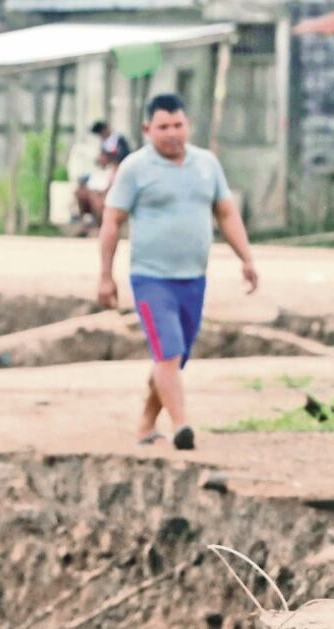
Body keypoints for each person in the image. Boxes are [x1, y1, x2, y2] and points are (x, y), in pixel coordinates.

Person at [97, 93, 258, 450]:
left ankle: (145, 425)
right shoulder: (135, 168)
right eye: (163, 127)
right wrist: (105, 276)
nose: (171, 133)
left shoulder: (207, 164)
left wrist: (246, 259)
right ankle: (182, 425)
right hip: (150, 278)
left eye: (178, 125)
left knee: (173, 356)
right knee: (168, 351)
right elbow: (111, 221)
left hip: (194, 278)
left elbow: (227, 213)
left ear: (188, 125)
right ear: (147, 129)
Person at [73, 120, 132, 233]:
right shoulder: (104, 144)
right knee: (82, 189)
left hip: (116, 172)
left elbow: (124, 157)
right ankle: (85, 223)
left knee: (99, 196)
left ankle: (101, 224)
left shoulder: (119, 140)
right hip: (103, 172)